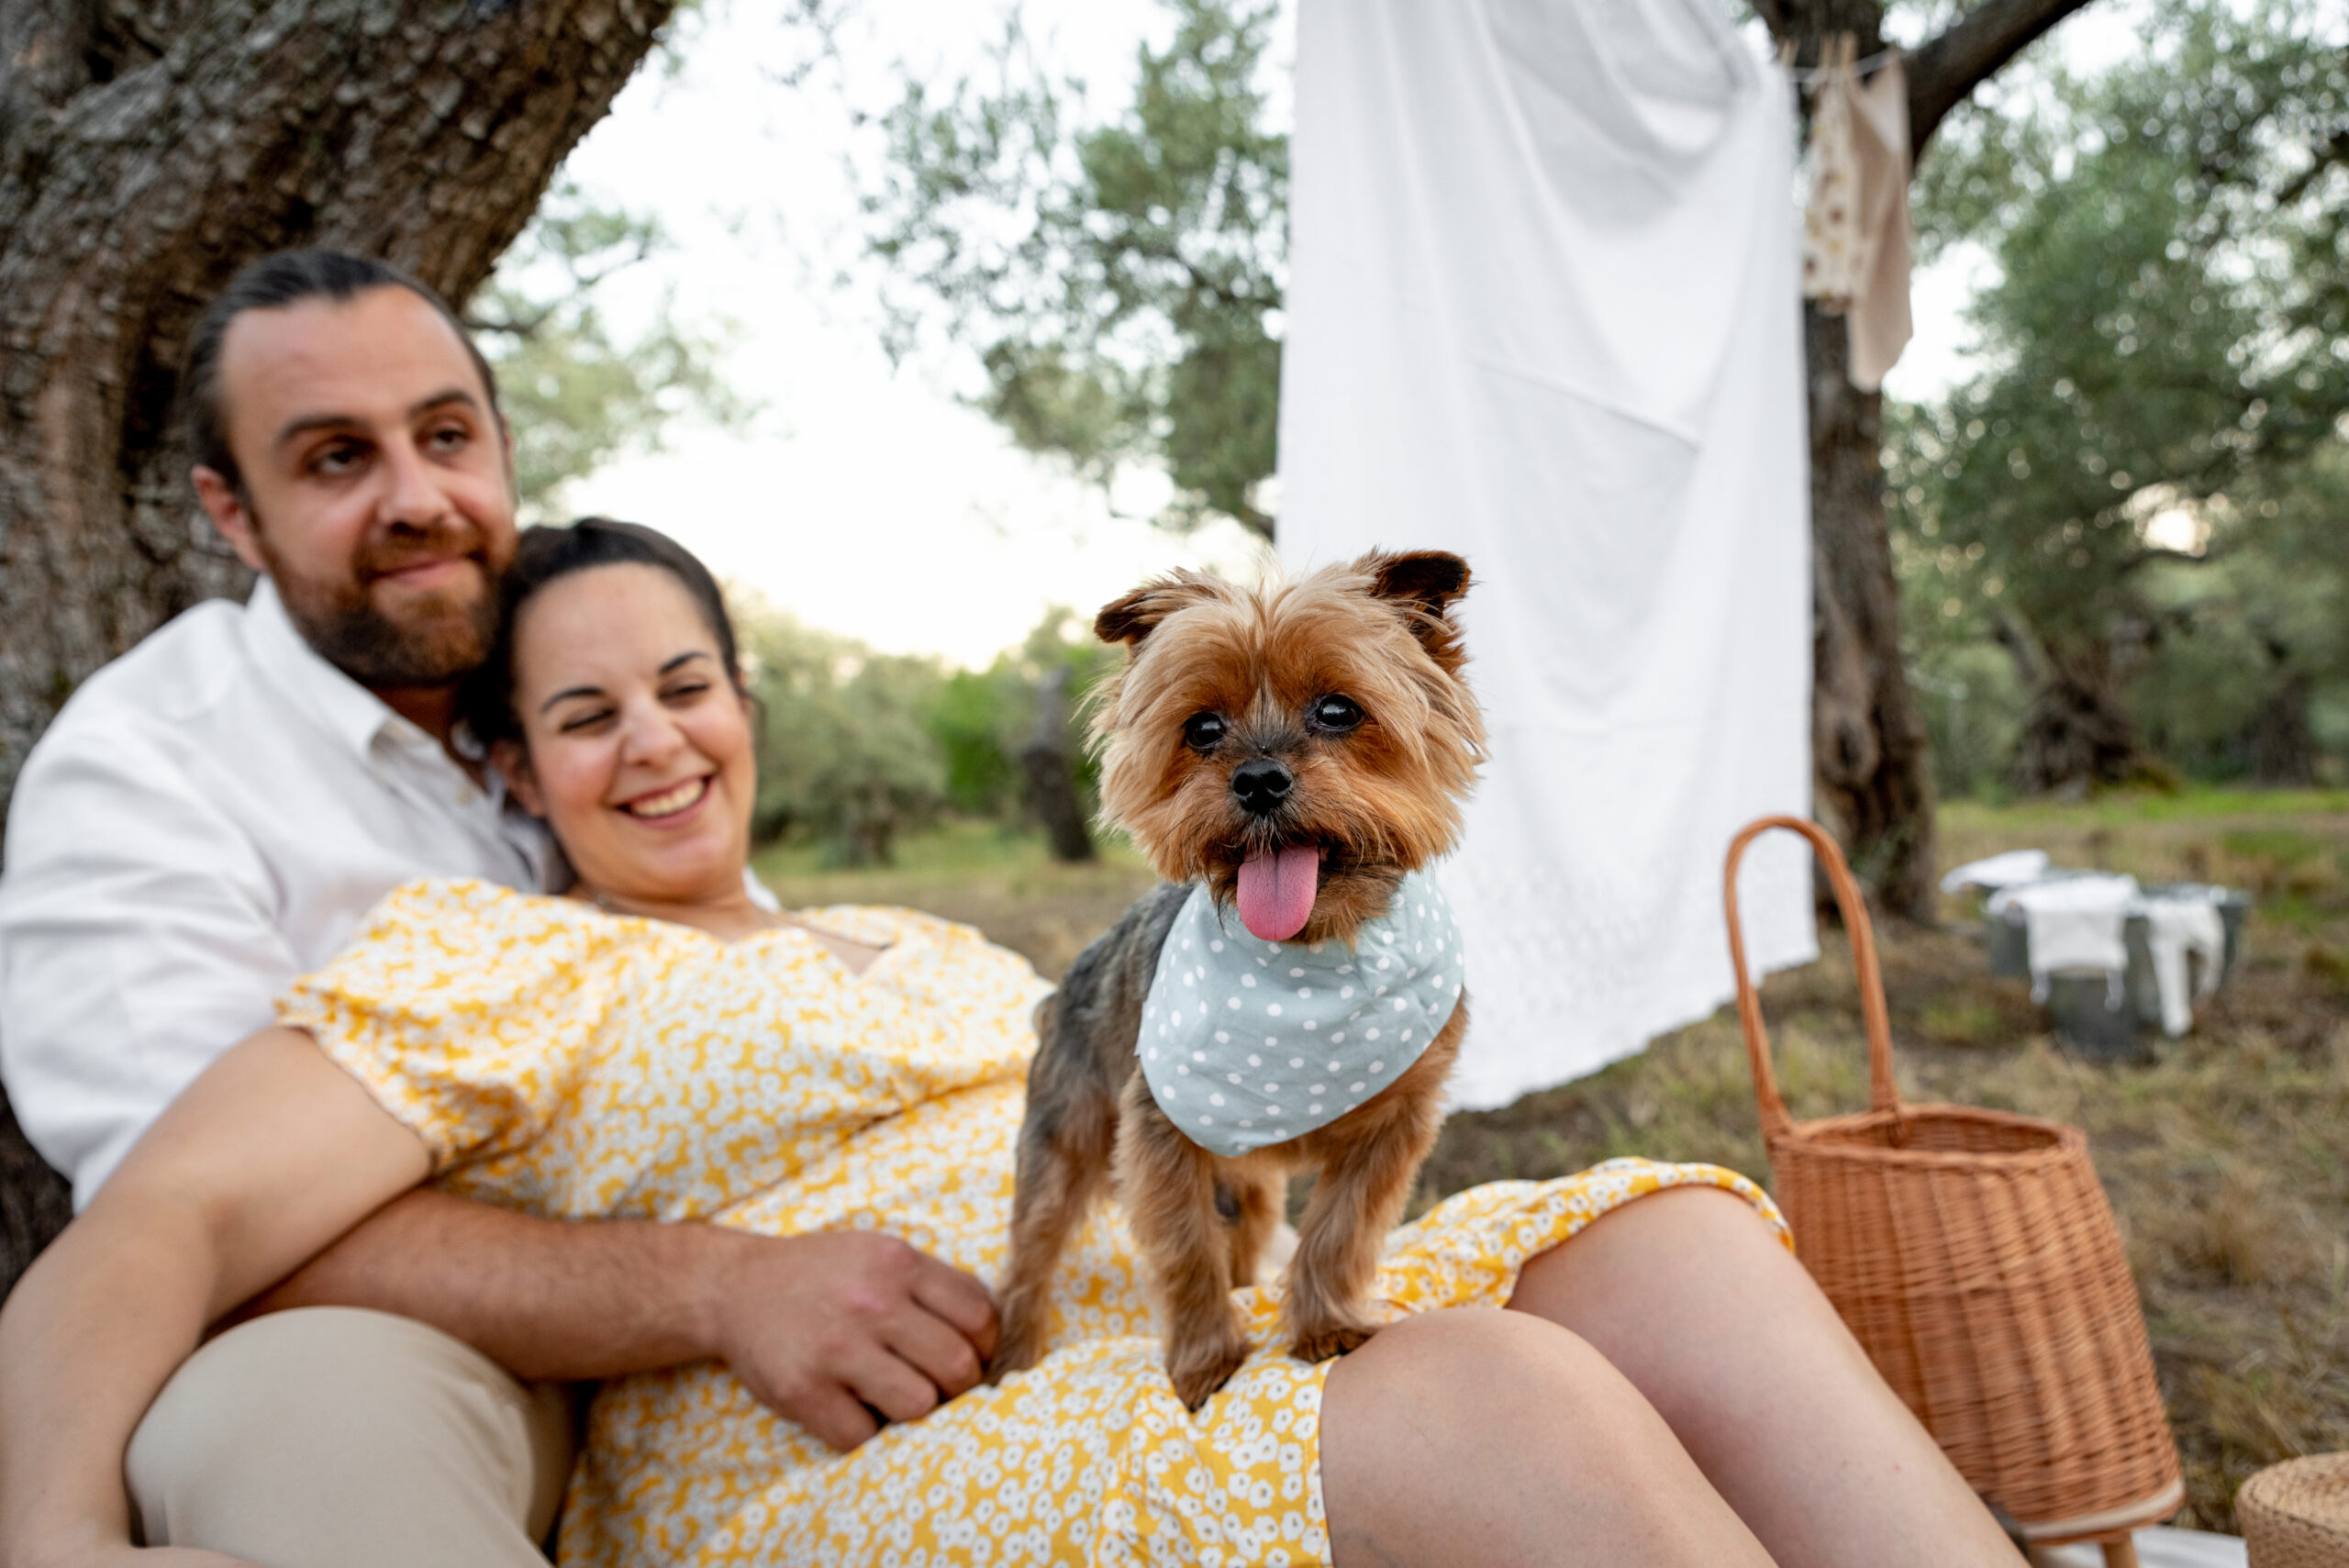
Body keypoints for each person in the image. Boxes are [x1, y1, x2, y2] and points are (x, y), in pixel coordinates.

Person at [0, 518, 2024, 1568]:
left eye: (685, 684)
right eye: (584, 713)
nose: (655, 739)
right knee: (1489, 1398)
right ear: (520, 776)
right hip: (849, 1468)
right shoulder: (489, 958)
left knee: (1674, 1241)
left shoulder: (921, 938)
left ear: (744, 709)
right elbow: (148, 1230)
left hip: (1165, 1314)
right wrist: (54, 1545)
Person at [0, 253, 1006, 1563]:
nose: (418, 498)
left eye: (447, 436)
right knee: (290, 1411)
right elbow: (186, 1216)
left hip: (759, 1317)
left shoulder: (579, 657)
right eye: (334, 460)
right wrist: (715, 1283)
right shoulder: (149, 766)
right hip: (424, 1360)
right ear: (232, 513)